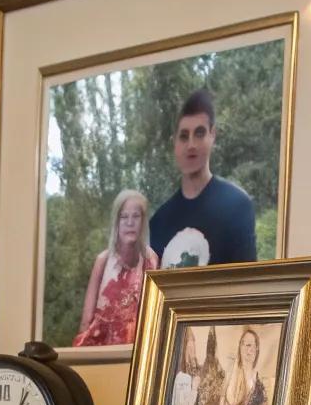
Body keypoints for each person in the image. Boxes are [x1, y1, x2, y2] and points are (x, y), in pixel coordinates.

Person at [150, 90, 257, 269]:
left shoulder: (237, 206)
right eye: (184, 136)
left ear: (212, 135)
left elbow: (249, 287)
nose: (191, 145)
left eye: (199, 133)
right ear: (174, 143)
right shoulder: (159, 222)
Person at [73, 190, 158, 347]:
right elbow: (86, 322)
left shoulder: (150, 260)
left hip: (137, 349)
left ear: (144, 221)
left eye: (136, 216)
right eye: (124, 217)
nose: (130, 222)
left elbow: (154, 315)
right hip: (101, 350)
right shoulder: (103, 261)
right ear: (116, 222)